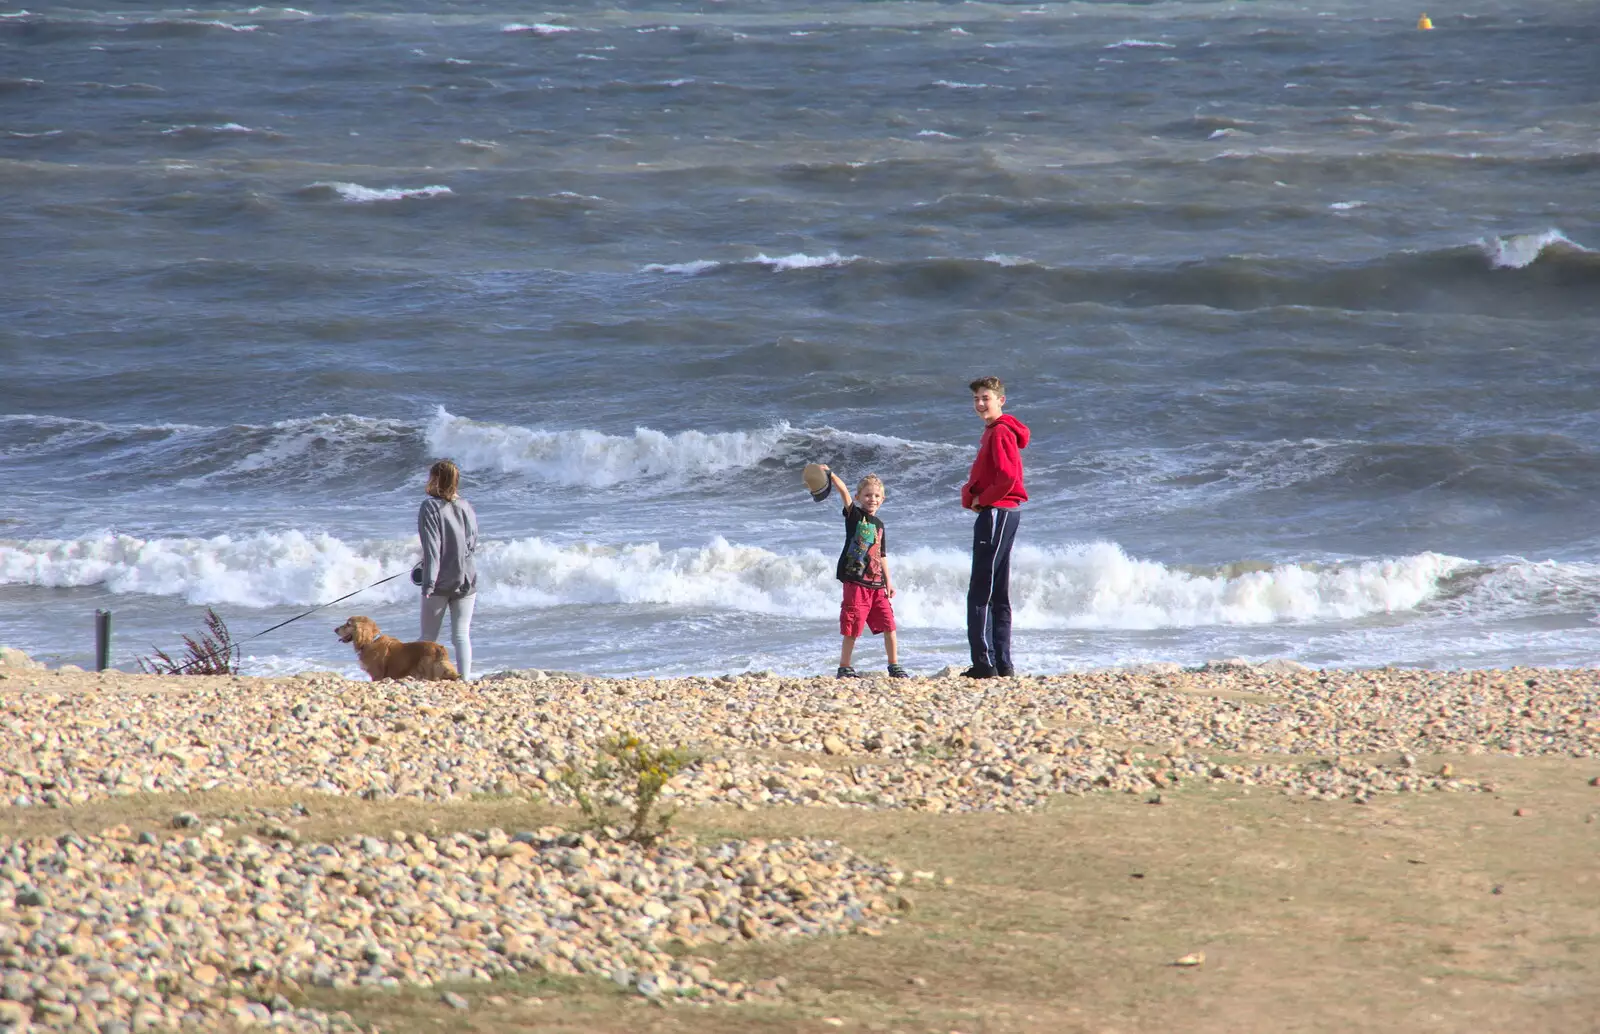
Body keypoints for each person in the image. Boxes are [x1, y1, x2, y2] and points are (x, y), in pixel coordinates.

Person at [960, 376, 1029, 678]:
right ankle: (1003, 663)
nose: (979, 404)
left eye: (985, 398)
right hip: (1004, 512)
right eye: (976, 399)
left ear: (1001, 400)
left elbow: (1007, 479)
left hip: (997, 512)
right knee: (998, 591)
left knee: (980, 591)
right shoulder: (997, 431)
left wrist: (981, 501)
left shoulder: (999, 433)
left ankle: (984, 664)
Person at [820, 466, 911, 679]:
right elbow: (843, 492)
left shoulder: (880, 524)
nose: (872, 499)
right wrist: (831, 474)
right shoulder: (855, 516)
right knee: (852, 624)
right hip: (856, 581)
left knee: (889, 624)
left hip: (877, 584)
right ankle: (844, 666)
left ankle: (894, 665)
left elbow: (882, 554)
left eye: (877, 495)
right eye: (868, 495)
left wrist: (888, 581)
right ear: (858, 497)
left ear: (883, 499)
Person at [417, 459, 479, 680]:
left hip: (440, 581)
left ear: (434, 479)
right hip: (466, 578)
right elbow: (471, 544)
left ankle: (424, 679)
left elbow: (432, 548)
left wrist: (429, 581)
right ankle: (465, 679)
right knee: (461, 635)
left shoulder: (430, 506)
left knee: (428, 636)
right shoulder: (466, 506)